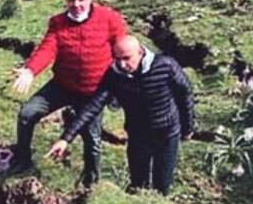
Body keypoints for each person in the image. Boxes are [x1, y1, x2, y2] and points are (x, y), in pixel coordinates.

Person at [9, 0, 126, 184]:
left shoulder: (109, 18)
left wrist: (120, 82)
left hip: (93, 91)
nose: (76, 4)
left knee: (92, 139)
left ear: (90, 0)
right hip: (62, 85)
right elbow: (47, 49)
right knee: (27, 113)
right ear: (66, 1)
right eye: (72, 0)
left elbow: (122, 45)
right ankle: (23, 158)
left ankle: (91, 181)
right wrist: (30, 71)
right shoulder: (58, 22)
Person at [48, 35, 194, 194]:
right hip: (138, 134)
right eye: (117, 58)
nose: (122, 64)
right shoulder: (114, 75)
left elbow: (184, 94)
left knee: (163, 184)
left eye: (127, 58)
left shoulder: (166, 65)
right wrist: (65, 139)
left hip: (167, 132)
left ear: (140, 52)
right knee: (138, 184)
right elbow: (93, 105)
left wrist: (187, 128)